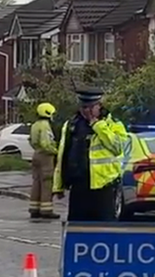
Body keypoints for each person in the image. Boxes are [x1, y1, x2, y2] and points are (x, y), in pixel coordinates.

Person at [52, 87, 125, 222]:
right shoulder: (71, 125)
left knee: (103, 229)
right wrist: (58, 185)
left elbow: (118, 148)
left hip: (103, 187)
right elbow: (63, 155)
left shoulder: (113, 124)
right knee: (76, 228)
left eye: (91, 107)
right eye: (84, 107)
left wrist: (98, 126)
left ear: (99, 106)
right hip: (79, 186)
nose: (87, 111)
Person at [28, 102, 60, 220]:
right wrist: (56, 151)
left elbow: (31, 140)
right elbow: (46, 143)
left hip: (36, 154)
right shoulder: (45, 125)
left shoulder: (35, 125)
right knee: (47, 182)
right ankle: (46, 210)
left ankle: (34, 208)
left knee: (36, 182)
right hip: (46, 156)